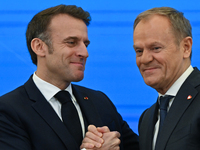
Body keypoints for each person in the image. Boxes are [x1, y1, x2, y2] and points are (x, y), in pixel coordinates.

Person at [0, 4, 139, 150]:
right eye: (71, 42)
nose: (84, 53)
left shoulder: (100, 102)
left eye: (85, 44)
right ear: (39, 47)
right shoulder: (8, 110)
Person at [133, 7, 200, 150]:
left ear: (186, 47)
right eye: (139, 51)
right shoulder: (146, 118)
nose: (144, 59)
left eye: (156, 48)